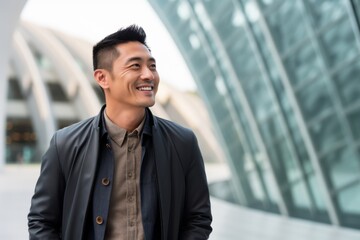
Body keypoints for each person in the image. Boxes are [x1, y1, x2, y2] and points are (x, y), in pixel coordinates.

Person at [28, 25, 212, 240]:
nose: (148, 75)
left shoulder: (182, 142)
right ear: (102, 78)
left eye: (152, 66)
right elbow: (41, 221)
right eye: (135, 66)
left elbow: (198, 218)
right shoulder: (65, 144)